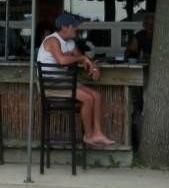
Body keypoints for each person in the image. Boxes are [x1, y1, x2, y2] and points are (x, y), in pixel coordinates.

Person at [37, 12, 116, 148]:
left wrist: (93, 67)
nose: (76, 28)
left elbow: (83, 59)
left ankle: (98, 133)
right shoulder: (52, 40)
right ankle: (88, 136)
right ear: (64, 27)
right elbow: (62, 60)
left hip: (64, 82)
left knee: (96, 96)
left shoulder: (70, 43)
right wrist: (81, 58)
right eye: (73, 26)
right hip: (50, 85)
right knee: (88, 98)